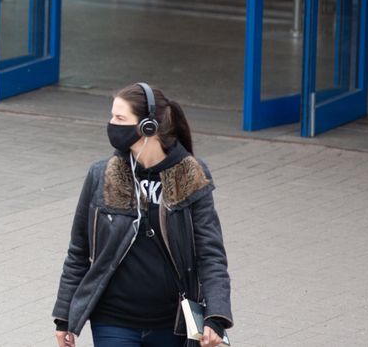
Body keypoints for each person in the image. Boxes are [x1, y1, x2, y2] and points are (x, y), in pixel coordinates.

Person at [53, 83, 233, 347]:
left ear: (148, 126)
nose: (111, 124)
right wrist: (64, 316)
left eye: (120, 118)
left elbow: (210, 253)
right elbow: (79, 250)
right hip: (113, 318)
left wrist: (216, 316)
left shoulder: (190, 175)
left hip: (171, 321)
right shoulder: (102, 175)